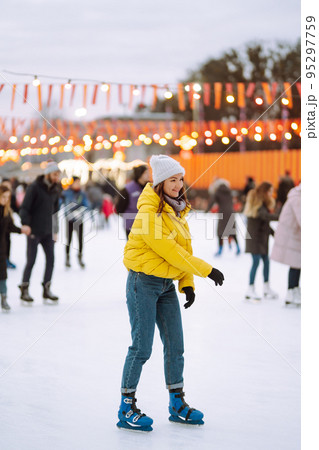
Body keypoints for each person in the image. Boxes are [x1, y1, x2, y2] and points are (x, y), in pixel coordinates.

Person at [117, 154, 225, 432]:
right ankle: (126, 407)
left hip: (165, 286)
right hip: (143, 282)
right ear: (159, 182)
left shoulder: (176, 210)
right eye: (172, 180)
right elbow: (168, 250)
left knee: (176, 346)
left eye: (180, 179)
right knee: (142, 347)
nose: (178, 185)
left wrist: (186, 283)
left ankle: (177, 404)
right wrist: (206, 270)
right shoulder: (148, 212)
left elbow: (183, 250)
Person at [18, 161, 61, 303]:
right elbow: (24, 208)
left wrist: (55, 230)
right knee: (31, 260)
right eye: (55, 174)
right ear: (48, 173)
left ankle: (46, 288)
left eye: (58, 175)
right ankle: (24, 288)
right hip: (34, 230)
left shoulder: (55, 189)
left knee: (51, 260)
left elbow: (55, 211)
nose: (57, 178)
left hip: (48, 231)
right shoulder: (34, 187)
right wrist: (26, 224)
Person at [244, 182, 279, 301]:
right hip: (255, 240)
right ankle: (250, 288)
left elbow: (265, 224)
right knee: (256, 262)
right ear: (265, 192)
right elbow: (265, 217)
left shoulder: (262, 204)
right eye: (270, 191)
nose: (271, 194)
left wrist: (275, 234)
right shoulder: (257, 205)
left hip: (261, 240)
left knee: (266, 262)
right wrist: (281, 216)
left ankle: (266, 287)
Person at [0, 186, 30, 311]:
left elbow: (10, 226)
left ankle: (4, 298)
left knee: (2, 274)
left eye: (8, 197)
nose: (5, 199)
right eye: (3, 197)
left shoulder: (6, 211)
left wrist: (21, 230)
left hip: (1, 249)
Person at [271, 184, 301, 306]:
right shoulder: (298, 197)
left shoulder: (298, 195)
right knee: (295, 263)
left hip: (295, 235)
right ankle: (291, 292)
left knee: (297, 264)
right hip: (291, 236)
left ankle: (294, 290)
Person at [206, 178, 240, 256]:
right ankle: (238, 248)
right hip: (231, 212)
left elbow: (212, 201)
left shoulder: (217, 192)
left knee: (220, 232)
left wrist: (207, 210)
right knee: (232, 231)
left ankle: (220, 249)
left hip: (222, 213)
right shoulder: (229, 191)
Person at [115, 164, 150, 239]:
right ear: (140, 174)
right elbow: (119, 207)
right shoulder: (128, 189)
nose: (148, 175)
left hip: (147, 224)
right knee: (133, 249)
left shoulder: (150, 187)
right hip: (131, 225)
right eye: (146, 173)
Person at [62, 176, 90, 268]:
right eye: (76, 182)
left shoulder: (82, 193)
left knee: (80, 240)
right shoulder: (66, 193)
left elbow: (86, 204)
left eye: (79, 182)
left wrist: (80, 211)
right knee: (68, 239)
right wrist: (68, 213)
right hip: (69, 219)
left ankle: (80, 257)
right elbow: (61, 203)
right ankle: (67, 258)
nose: (78, 184)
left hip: (79, 219)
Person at [1, 178, 19, 269]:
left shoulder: (11, 198)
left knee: (7, 241)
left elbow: (17, 209)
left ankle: (6, 259)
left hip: (7, 225)